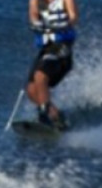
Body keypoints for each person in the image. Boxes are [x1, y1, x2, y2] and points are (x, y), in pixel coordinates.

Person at [25, 0, 78, 130]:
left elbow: (73, 16)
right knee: (31, 90)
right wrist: (36, 23)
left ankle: (43, 117)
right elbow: (33, 14)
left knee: (40, 76)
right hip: (46, 49)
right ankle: (56, 116)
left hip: (62, 48)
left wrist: (67, 24)